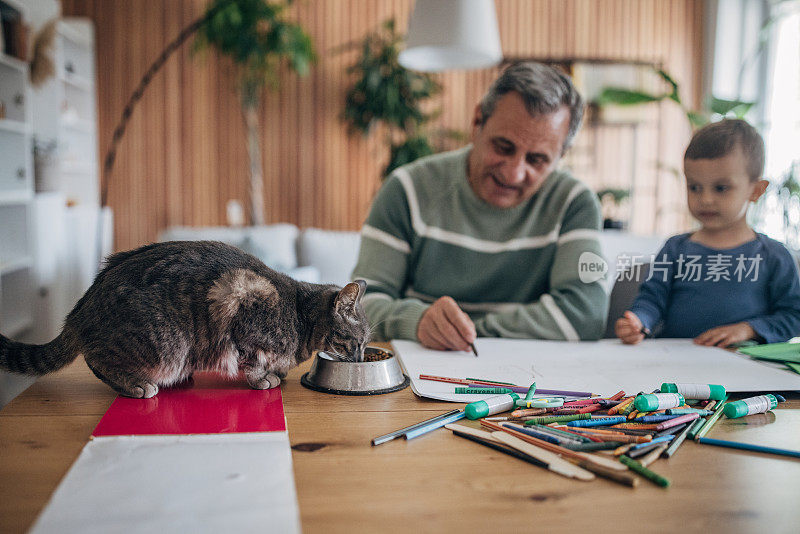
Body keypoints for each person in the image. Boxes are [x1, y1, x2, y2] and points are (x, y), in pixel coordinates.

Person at [351, 62, 608, 351]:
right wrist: (417, 321)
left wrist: (472, 334)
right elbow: (360, 307)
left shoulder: (575, 203)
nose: (513, 173)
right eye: (503, 147)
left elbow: (586, 313)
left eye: (536, 160)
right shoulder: (407, 189)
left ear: (562, 154)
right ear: (477, 122)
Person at [615, 119, 800, 347]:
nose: (705, 199)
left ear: (756, 190)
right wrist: (639, 321)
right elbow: (652, 300)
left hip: (744, 370)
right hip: (674, 364)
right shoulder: (675, 248)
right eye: (694, 187)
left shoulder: (775, 256)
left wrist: (749, 329)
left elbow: (793, 316)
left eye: (721, 188)